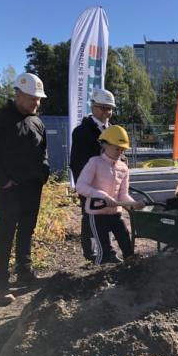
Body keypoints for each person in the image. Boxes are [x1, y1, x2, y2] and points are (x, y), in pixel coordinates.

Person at [0, 73, 50, 304]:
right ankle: (0, 285)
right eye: (31, 98)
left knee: (27, 231)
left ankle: (25, 273)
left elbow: (43, 153)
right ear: (17, 94)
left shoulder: (37, 122)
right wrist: (2, 180)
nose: (36, 103)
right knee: (6, 234)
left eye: (38, 99)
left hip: (32, 188)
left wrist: (43, 174)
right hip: (9, 189)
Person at [75, 125, 144, 265]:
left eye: (122, 149)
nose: (120, 152)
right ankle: (98, 280)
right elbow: (80, 186)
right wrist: (101, 195)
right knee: (104, 252)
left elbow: (123, 195)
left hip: (115, 215)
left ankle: (131, 277)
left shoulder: (123, 168)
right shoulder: (94, 162)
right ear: (105, 145)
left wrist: (133, 205)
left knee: (127, 246)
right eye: (117, 148)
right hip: (97, 215)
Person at [70, 88, 120, 263]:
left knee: (110, 216)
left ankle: (109, 252)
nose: (106, 112)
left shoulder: (112, 131)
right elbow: (77, 163)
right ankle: (92, 254)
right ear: (92, 106)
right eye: (102, 108)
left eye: (109, 109)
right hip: (91, 185)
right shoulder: (82, 132)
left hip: (109, 183)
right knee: (92, 217)